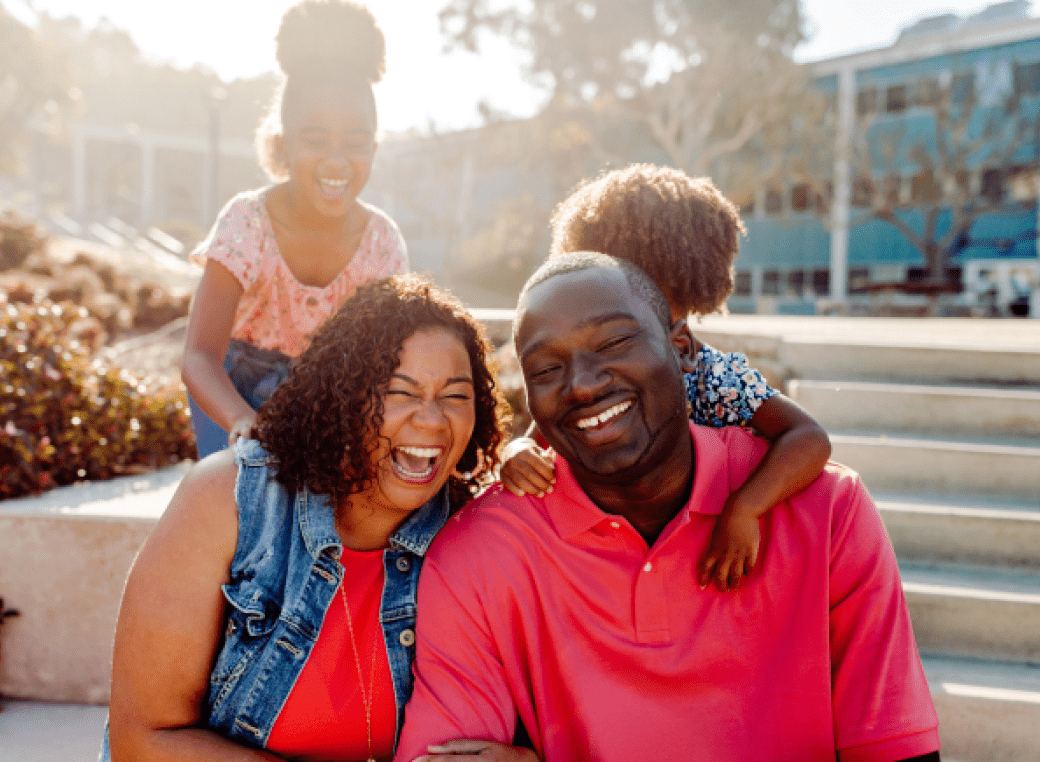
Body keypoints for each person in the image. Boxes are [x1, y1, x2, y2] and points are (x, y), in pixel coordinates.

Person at [396, 253, 941, 762]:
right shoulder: (476, 554)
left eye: (614, 342)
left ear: (681, 348)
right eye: (545, 369)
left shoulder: (827, 511)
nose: (582, 385)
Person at [103, 275, 535, 762]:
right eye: (400, 391)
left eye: (455, 396)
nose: (432, 420)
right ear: (342, 398)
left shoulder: (472, 536)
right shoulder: (231, 500)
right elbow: (142, 741)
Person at [500, 164, 831, 591]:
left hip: (707, 553)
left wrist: (745, 508)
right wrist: (516, 452)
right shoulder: (581, 382)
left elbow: (807, 437)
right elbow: (537, 437)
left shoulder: (715, 374)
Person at [183, 0, 409, 458]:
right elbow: (199, 356)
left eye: (355, 142)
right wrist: (242, 420)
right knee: (245, 488)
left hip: (325, 404)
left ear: (374, 146)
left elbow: (387, 367)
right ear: (284, 143)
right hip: (231, 398)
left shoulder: (381, 243)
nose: (336, 160)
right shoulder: (248, 222)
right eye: (316, 140)